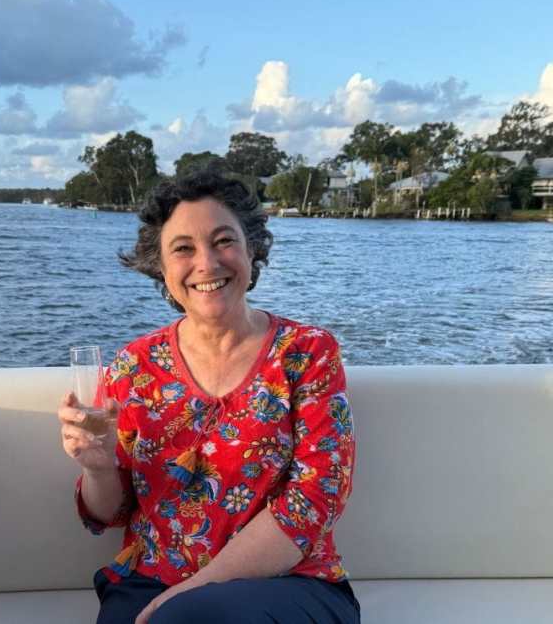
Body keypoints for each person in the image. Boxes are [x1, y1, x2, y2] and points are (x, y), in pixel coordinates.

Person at [58, 169, 359, 624]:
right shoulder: (134, 367)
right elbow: (110, 513)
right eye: (183, 248)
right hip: (151, 578)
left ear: (251, 248)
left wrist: (188, 594)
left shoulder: (307, 353)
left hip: (288, 585)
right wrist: (97, 467)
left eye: (223, 241)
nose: (206, 263)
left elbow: (316, 498)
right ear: (160, 266)